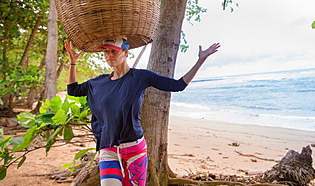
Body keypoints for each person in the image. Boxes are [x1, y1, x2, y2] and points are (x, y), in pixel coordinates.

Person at [64, 37, 220, 186]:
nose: (109, 55)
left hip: (134, 149)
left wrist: (201, 60)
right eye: (105, 51)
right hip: (108, 148)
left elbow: (178, 85)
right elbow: (73, 90)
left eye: (114, 51)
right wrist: (73, 62)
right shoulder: (97, 82)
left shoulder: (140, 77)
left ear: (126, 52)